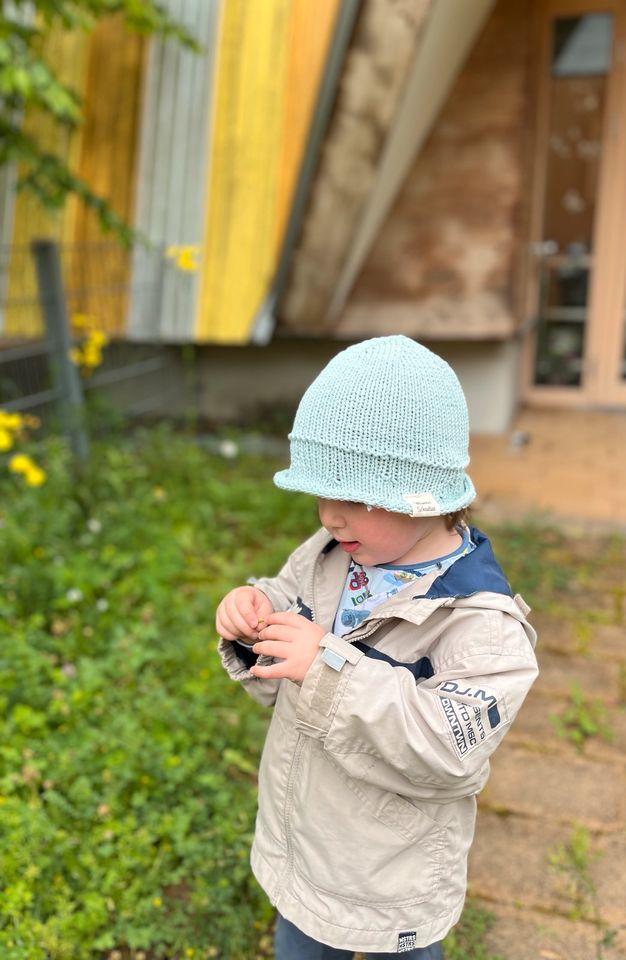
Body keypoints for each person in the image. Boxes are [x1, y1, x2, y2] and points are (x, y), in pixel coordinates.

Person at [215, 335, 538, 959]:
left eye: (354, 498)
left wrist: (326, 668)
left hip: (396, 875)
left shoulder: (480, 623)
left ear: (423, 493)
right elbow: (287, 598)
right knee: (301, 940)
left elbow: (447, 747)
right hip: (306, 840)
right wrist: (255, 615)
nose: (329, 517)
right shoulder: (332, 553)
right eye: (321, 493)